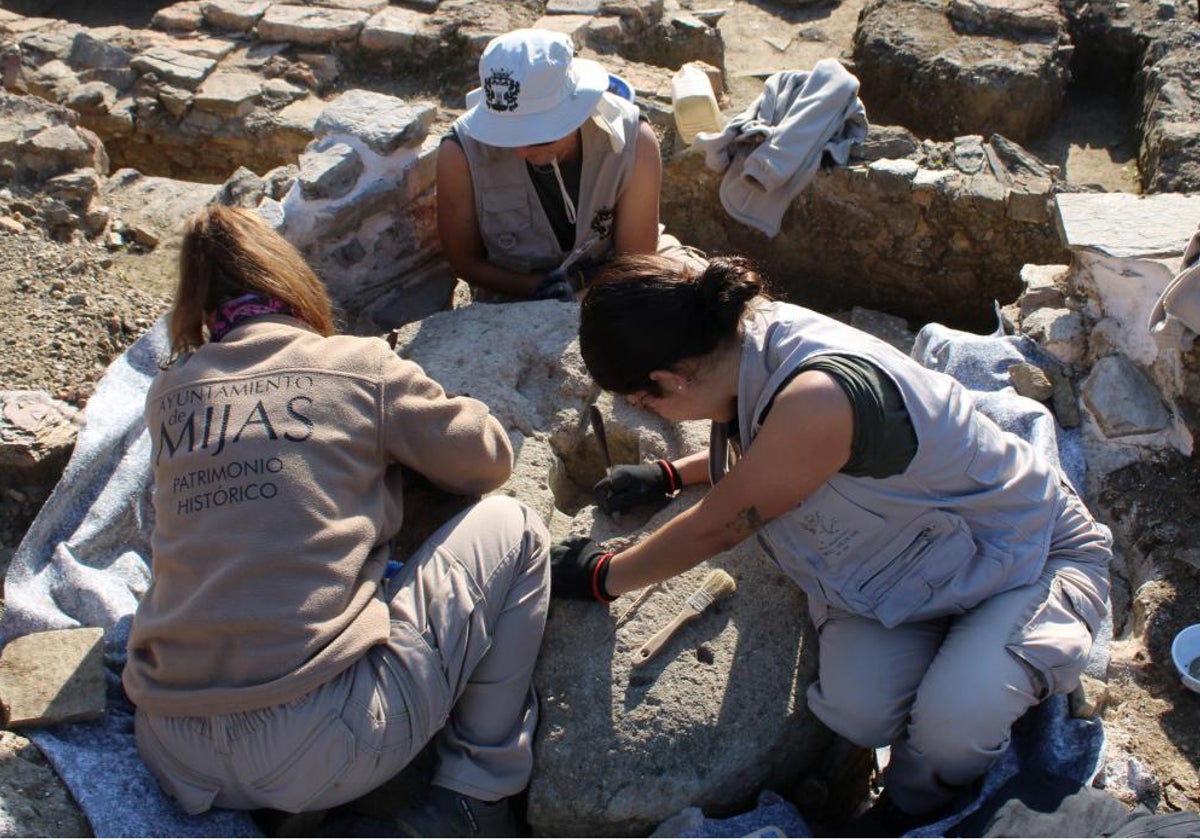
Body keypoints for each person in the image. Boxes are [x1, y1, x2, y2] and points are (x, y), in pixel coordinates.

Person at [551, 253, 1112, 834]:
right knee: (860, 711)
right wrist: (673, 474)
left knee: (953, 728)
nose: (647, 411)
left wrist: (605, 574)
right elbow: (779, 452)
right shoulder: (737, 338)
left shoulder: (817, 391)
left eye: (645, 402)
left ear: (671, 379)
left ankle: (910, 806)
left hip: (1023, 554)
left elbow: (721, 522)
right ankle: (964, 666)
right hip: (908, 568)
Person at [121, 205, 550, 838]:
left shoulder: (171, 392)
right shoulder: (356, 364)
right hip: (321, 733)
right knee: (514, 527)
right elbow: (485, 461)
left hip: (171, 747)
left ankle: (293, 804)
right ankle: (475, 797)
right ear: (292, 282)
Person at [436, 28, 690, 303]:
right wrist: (536, 288)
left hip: (618, 281)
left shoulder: (633, 140)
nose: (521, 150)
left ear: (577, 113)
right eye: (507, 135)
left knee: (699, 301)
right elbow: (465, 261)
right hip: (516, 294)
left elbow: (637, 263)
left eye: (538, 138)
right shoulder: (459, 153)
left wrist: (583, 297)